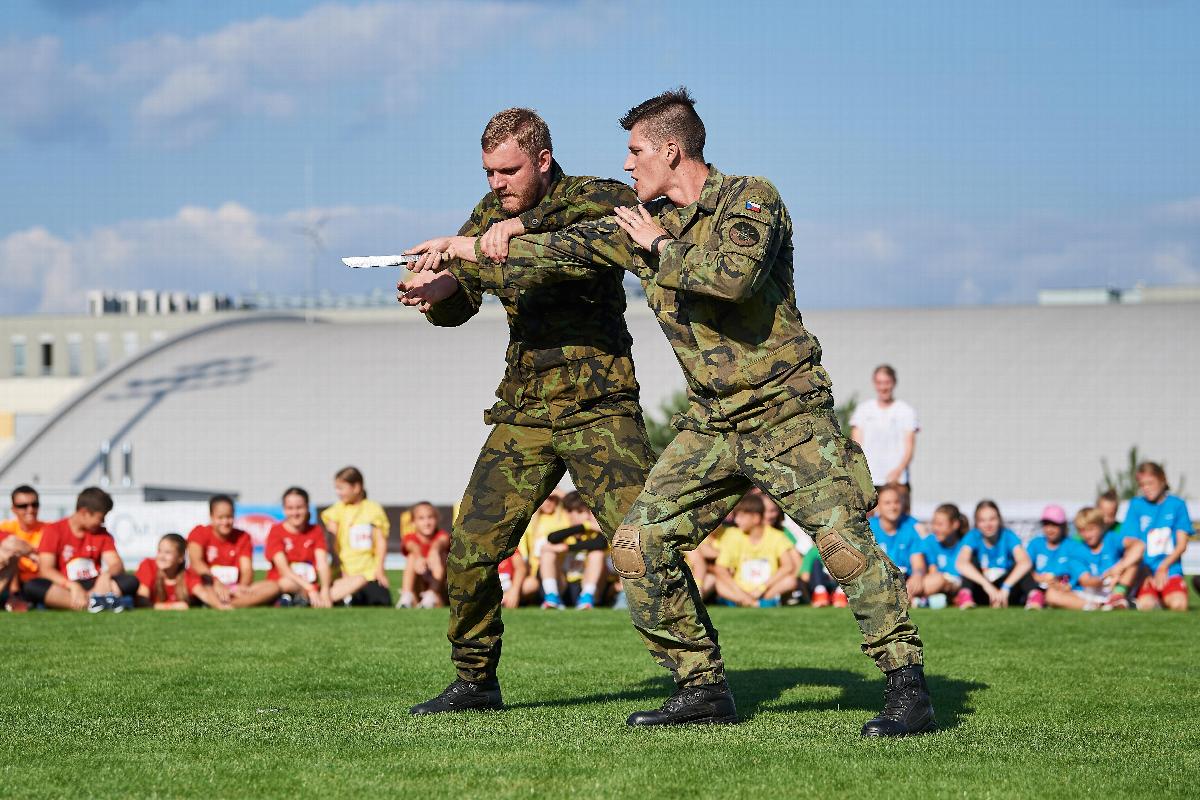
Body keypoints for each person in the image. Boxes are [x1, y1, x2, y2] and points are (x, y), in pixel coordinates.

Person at [403, 88, 930, 735]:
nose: (627, 164)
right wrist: (464, 252)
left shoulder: (748, 200)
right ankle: (702, 688)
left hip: (783, 411)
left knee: (843, 545)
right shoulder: (638, 223)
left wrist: (655, 245)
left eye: (636, 152)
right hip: (709, 421)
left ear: (672, 150)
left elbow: (731, 278)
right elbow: (566, 251)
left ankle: (907, 686)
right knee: (638, 544)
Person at [396, 108, 658, 715]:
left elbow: (604, 228)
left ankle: (700, 681)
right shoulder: (488, 214)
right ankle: (474, 681)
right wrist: (437, 292)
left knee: (642, 548)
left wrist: (517, 231)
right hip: (524, 412)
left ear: (542, 160)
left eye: (508, 171)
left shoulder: (595, 198)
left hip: (599, 408)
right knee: (469, 549)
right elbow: (463, 292)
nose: (497, 184)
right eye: (489, 173)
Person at [23, 487, 139, 612]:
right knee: (32, 586)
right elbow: (46, 569)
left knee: (131, 581)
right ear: (84, 513)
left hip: (95, 584)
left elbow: (116, 564)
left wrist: (106, 576)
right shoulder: (54, 530)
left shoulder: (102, 534)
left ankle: (86, 602)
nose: (103, 522)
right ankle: (97, 602)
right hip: (65, 585)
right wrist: (72, 586)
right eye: (100, 518)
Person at [187, 495, 279, 609]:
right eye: (220, 518)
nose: (225, 522)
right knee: (195, 584)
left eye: (229, 517)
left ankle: (225, 603)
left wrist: (242, 587)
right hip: (209, 585)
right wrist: (216, 583)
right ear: (211, 516)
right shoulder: (199, 532)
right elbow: (196, 563)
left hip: (233, 589)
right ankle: (217, 602)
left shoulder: (243, 536)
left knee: (273, 587)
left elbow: (247, 569)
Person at [1045, 507, 1144, 611]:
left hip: (1115, 587)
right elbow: (1086, 581)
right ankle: (1098, 606)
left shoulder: (1111, 538)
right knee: (1051, 595)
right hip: (1090, 592)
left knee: (1134, 560)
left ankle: (1117, 596)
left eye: (1091, 529)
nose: (1087, 535)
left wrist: (1119, 568)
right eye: (1082, 531)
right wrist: (1106, 578)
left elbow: (1140, 546)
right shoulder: (1077, 550)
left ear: (1101, 526)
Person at [1123, 462, 1191, 612]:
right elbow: (1129, 542)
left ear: (1162, 480)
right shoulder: (1136, 505)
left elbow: (1182, 545)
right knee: (1146, 606)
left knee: (1179, 605)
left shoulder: (1177, 505)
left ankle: (1166, 596)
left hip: (1170, 570)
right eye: (1142, 484)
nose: (1146, 488)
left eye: (1150, 483)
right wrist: (1143, 571)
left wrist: (1163, 567)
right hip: (1144, 572)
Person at [320, 467, 392, 606]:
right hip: (344, 572)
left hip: (369, 572)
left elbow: (380, 542)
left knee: (381, 601)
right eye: (336, 488)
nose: (338, 493)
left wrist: (379, 569)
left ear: (356, 487)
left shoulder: (373, 509)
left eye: (341, 488)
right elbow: (331, 542)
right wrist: (338, 568)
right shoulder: (336, 510)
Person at [713, 494, 798, 607]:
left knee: (790, 581)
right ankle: (757, 603)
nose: (737, 520)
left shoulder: (776, 536)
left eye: (741, 516)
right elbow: (720, 568)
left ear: (755, 518)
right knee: (719, 584)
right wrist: (741, 593)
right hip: (740, 590)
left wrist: (762, 588)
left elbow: (788, 566)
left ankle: (750, 602)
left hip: (765, 590)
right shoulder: (734, 536)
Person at [850, 365, 919, 493]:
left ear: (894, 383)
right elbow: (856, 447)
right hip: (869, 480)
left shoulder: (906, 411)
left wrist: (898, 471)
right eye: (879, 382)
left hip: (897, 480)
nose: (883, 387)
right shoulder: (863, 410)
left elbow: (909, 447)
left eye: (887, 382)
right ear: (874, 383)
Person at [955, 500, 1034, 609]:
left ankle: (1034, 597)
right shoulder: (972, 536)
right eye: (982, 520)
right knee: (971, 561)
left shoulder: (1008, 535)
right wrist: (986, 585)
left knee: (1019, 565)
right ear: (977, 523)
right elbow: (961, 564)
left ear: (999, 520)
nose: (988, 524)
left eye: (992, 519)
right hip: (983, 590)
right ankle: (966, 597)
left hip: (1006, 591)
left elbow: (1025, 562)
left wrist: (1006, 587)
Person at [538, 491, 608, 609]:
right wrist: (581, 527)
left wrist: (567, 547)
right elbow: (552, 538)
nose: (585, 516)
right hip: (564, 584)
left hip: (585, 585)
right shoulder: (562, 527)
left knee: (597, 553)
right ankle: (552, 596)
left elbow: (601, 544)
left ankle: (587, 598)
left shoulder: (594, 531)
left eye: (584, 512)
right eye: (579, 512)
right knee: (547, 551)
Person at [265, 487, 333, 608]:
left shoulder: (316, 530)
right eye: (290, 508)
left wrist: (325, 590)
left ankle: (303, 599)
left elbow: (322, 563)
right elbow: (284, 570)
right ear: (284, 509)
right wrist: (309, 588)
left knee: (358, 579)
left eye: (299, 507)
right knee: (285, 583)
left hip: (312, 586)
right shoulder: (276, 531)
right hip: (288, 583)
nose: (295, 513)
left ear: (307, 507)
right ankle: (295, 597)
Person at [868, 484, 926, 605]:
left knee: (936, 580)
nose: (893, 507)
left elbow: (918, 564)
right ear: (877, 507)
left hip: (905, 580)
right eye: (887, 503)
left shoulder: (910, 528)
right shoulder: (868, 528)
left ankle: (903, 598)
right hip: (877, 580)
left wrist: (917, 575)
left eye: (896, 502)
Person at [1024, 504, 1084, 610]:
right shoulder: (1036, 543)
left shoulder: (1073, 546)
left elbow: (1079, 572)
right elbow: (1024, 565)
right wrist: (1036, 577)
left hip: (1063, 589)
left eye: (1054, 525)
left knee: (1054, 595)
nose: (1050, 529)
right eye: (1046, 524)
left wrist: (1065, 584)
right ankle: (1036, 598)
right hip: (1037, 586)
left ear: (1063, 526)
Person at [0, 484, 45, 611]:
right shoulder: (5, 528)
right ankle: (14, 596)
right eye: (23, 506)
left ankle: (16, 598)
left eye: (34, 505)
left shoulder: (49, 529)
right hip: (9, 583)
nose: (30, 510)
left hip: (37, 583)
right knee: (10, 550)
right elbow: (11, 545)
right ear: (13, 509)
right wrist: (31, 553)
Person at [398, 501, 450, 609]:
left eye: (430, 517)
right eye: (421, 518)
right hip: (418, 589)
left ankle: (431, 594)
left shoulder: (442, 535)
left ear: (437, 519)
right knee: (412, 556)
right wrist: (418, 557)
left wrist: (434, 551)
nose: (427, 523)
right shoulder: (410, 537)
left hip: (440, 591)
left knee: (442, 555)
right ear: (413, 522)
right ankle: (406, 595)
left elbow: (441, 542)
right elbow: (411, 545)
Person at [919, 504, 967, 607]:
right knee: (937, 580)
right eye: (934, 523)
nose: (935, 528)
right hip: (933, 583)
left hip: (953, 588)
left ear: (955, 524)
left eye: (940, 524)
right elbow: (932, 572)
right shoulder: (929, 542)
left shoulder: (965, 545)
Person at [135, 533, 194, 610]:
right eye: (159, 551)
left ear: (180, 557)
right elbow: (141, 601)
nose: (161, 556)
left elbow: (203, 593)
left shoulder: (188, 575)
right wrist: (172, 606)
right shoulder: (148, 565)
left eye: (167, 552)